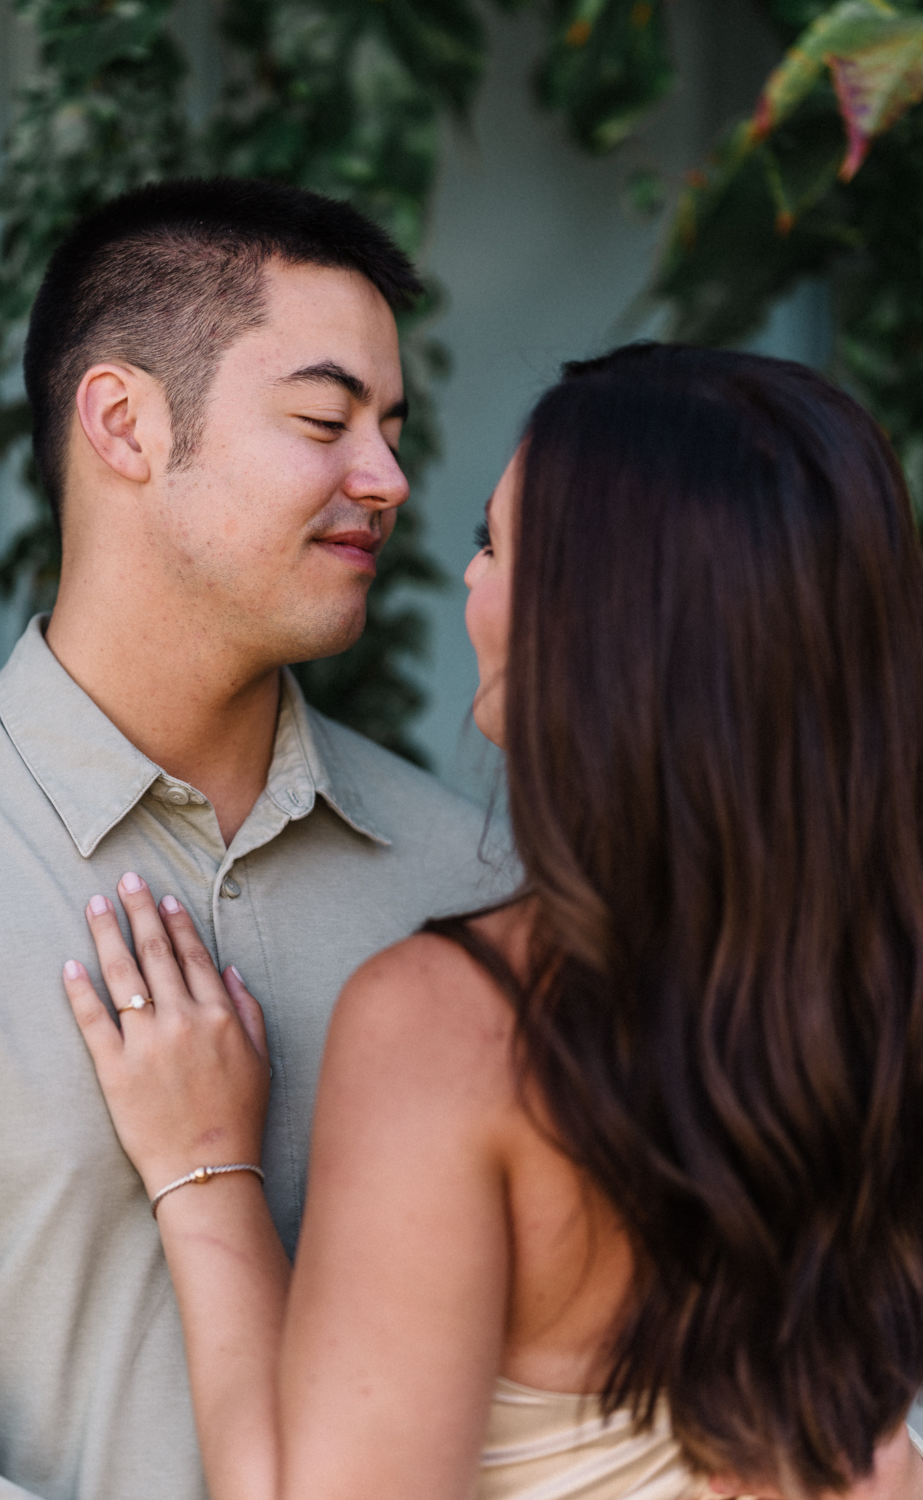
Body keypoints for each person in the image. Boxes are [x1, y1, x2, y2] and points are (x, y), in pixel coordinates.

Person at [67, 344, 923, 1500]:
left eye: (494, 543)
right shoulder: (878, 1000)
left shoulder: (465, 1025)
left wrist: (206, 1172)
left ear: (600, 621)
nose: (469, 580)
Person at [0, 179, 512, 1500]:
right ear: (124, 423)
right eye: (324, 419)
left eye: (393, 427)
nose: (389, 480)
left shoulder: (469, 882)